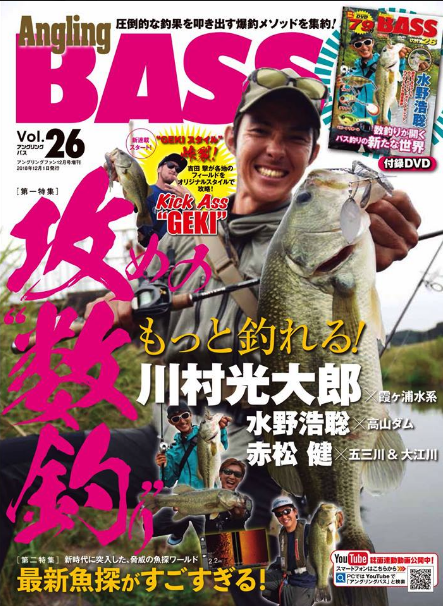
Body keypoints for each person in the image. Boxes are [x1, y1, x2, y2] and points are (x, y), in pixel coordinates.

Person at [0, 67, 421, 571]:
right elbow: (147, 309)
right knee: (8, 470)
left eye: (296, 137)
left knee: (264, 581)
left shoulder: (317, 232)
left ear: (312, 154)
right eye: (261, 130)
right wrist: (119, 312)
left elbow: (344, 338)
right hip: (168, 448)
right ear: (231, 138)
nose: (275, 148)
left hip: (260, 465)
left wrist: (372, 244)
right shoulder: (181, 235)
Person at [153, 401, 230, 545]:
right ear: (171, 422)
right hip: (184, 499)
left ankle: (185, 525)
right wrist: (164, 466)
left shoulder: (205, 434)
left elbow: (222, 445)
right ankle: (179, 529)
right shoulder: (173, 451)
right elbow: (168, 482)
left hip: (205, 498)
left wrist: (222, 429)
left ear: (191, 415)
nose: (182, 421)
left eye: (185, 415)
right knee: (151, 527)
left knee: (211, 545)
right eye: (176, 418)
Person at [344, 32, 410, 125]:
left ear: (373, 42)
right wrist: (340, 88)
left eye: (367, 42)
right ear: (353, 47)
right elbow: (344, 100)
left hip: (377, 124)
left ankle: (383, 119)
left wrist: (401, 59)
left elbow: (400, 77)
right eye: (358, 44)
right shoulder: (351, 73)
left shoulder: (384, 64)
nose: (364, 47)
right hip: (356, 123)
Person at [138, 153, 189, 246]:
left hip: (176, 249)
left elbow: (193, 224)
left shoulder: (180, 197)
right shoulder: (145, 191)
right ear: (159, 169)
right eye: (170, 165)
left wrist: (189, 201)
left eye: (177, 169)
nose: (174, 170)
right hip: (152, 249)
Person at [204, 458, 252, 533]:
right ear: (220, 474)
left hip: (239, 539)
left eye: (237, 474)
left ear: (241, 479)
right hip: (212, 539)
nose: (232, 477)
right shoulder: (208, 496)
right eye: (227, 472)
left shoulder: (245, 500)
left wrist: (238, 513)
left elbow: (245, 514)